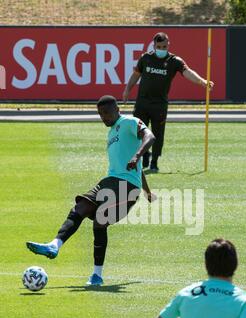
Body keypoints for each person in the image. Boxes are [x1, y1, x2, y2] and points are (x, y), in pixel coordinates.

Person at [26, 95, 156, 286]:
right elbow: (133, 168)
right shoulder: (111, 133)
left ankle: (97, 275)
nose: (104, 117)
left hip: (126, 187)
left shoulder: (129, 122)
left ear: (117, 109)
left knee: (99, 222)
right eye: (100, 114)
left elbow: (150, 136)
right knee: (81, 207)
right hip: (109, 181)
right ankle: (54, 245)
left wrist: (138, 156)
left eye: (107, 113)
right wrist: (148, 191)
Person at [123, 32, 214, 172]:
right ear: (154, 46)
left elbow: (188, 72)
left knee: (158, 134)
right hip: (142, 103)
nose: (161, 49)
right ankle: (145, 155)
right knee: (140, 132)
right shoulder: (145, 58)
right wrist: (127, 89)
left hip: (159, 105)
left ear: (168, 45)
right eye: (159, 46)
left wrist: (202, 82)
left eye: (164, 46)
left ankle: (154, 162)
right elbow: (136, 75)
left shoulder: (174, 61)